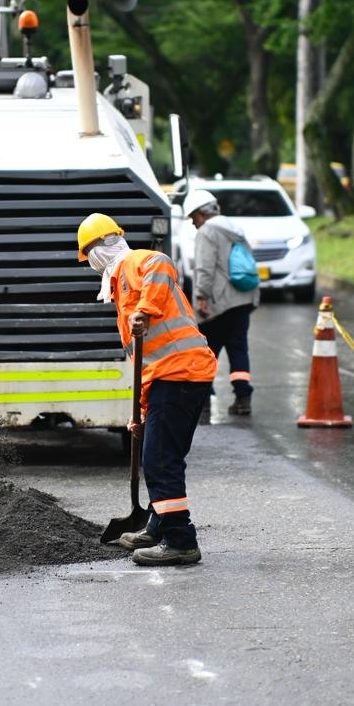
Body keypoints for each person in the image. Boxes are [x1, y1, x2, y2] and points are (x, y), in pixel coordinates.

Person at [77, 213, 217, 566]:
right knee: (162, 454)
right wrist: (139, 412)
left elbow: (162, 262)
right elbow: (145, 361)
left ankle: (180, 540)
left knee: (158, 459)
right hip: (174, 377)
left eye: (88, 257)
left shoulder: (133, 263)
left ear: (96, 251)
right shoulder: (122, 292)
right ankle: (156, 526)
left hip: (181, 374)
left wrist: (145, 308)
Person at [185, 188, 259, 417]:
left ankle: (203, 400)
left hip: (219, 302)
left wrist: (201, 297)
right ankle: (243, 398)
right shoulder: (233, 228)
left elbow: (204, 268)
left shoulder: (207, 231)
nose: (193, 223)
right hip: (243, 298)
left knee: (205, 352)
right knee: (238, 349)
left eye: (193, 217)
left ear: (202, 213)